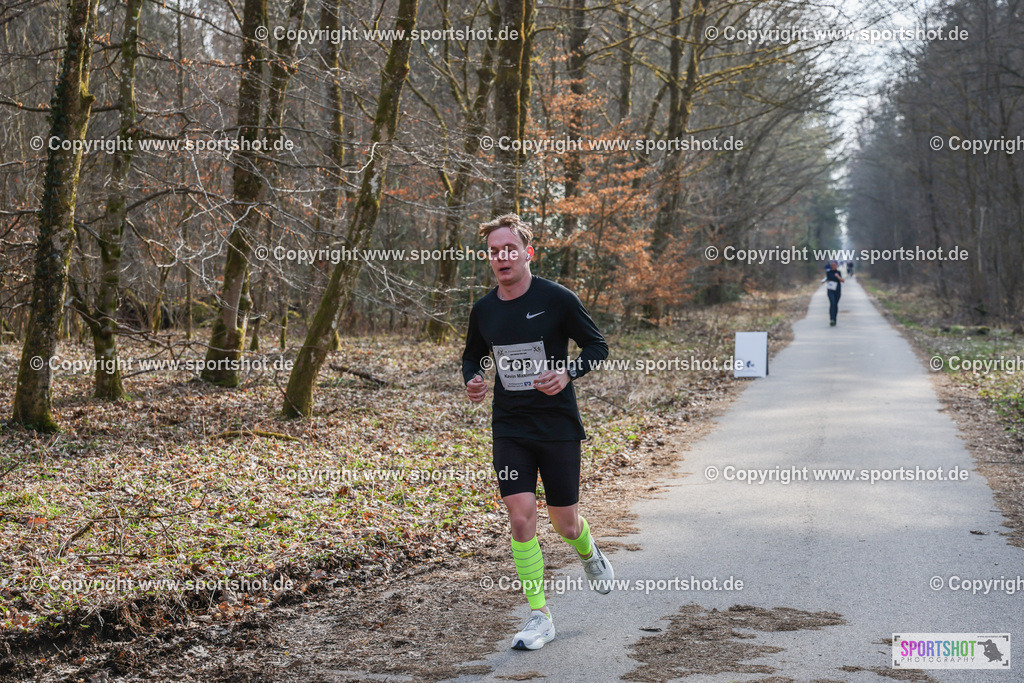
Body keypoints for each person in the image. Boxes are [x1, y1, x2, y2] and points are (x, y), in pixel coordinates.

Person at [462, 213, 613, 651]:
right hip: (510, 427)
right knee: (521, 515)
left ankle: (587, 550)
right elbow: (472, 357)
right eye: (494, 251)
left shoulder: (557, 299)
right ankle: (539, 615)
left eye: (510, 249)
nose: (502, 257)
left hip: (557, 425)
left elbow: (597, 346)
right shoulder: (484, 310)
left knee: (564, 521)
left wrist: (568, 373)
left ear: (527, 253)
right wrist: (473, 379)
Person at [825, 260, 845, 326]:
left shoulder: (838, 272)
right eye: (832, 265)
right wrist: (824, 281)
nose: (833, 266)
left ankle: (834, 319)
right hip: (830, 290)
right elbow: (827, 279)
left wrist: (838, 277)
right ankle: (831, 319)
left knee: (835, 304)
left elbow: (843, 281)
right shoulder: (829, 272)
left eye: (834, 265)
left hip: (837, 290)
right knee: (832, 303)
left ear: (836, 265)